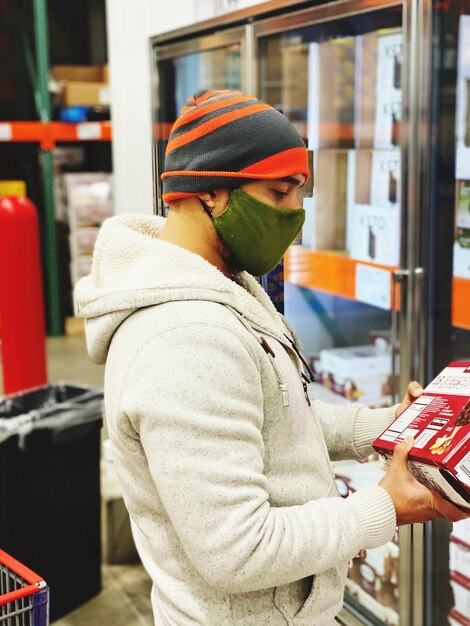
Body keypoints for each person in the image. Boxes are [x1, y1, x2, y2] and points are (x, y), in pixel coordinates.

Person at [75, 89, 468, 626]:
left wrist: (390, 428)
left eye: (300, 194)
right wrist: (383, 508)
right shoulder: (185, 336)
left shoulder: (224, 286)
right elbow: (238, 550)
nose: (295, 217)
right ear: (208, 192)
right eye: (281, 193)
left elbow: (270, 414)